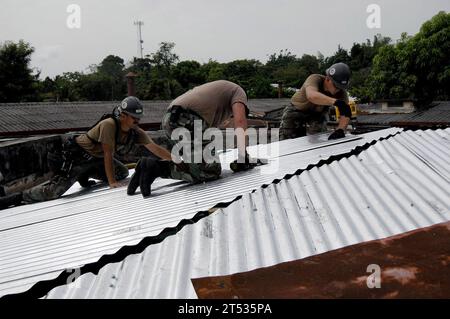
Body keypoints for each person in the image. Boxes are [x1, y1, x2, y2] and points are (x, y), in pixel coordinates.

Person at [0, 96, 178, 209]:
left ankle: (85, 176)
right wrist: (112, 183)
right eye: (133, 117)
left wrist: (176, 162)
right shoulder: (109, 125)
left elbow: (155, 148)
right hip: (78, 159)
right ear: (123, 115)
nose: (137, 121)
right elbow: (108, 154)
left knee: (123, 171)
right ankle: (14, 198)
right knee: (52, 193)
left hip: (96, 160)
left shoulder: (135, 131)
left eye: (138, 118)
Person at [127, 80, 260, 197]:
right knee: (210, 171)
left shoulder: (218, 97)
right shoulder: (239, 92)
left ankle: (147, 167)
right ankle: (156, 167)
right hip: (188, 119)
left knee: (191, 167)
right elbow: (240, 122)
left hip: (169, 120)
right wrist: (243, 157)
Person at [279, 62, 352, 140]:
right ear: (327, 79)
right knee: (287, 141)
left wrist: (340, 130)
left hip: (317, 115)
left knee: (318, 139)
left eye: (340, 87)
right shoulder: (315, 79)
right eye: (336, 86)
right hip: (296, 111)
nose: (338, 90)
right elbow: (312, 96)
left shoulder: (341, 92)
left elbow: (346, 113)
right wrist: (336, 102)